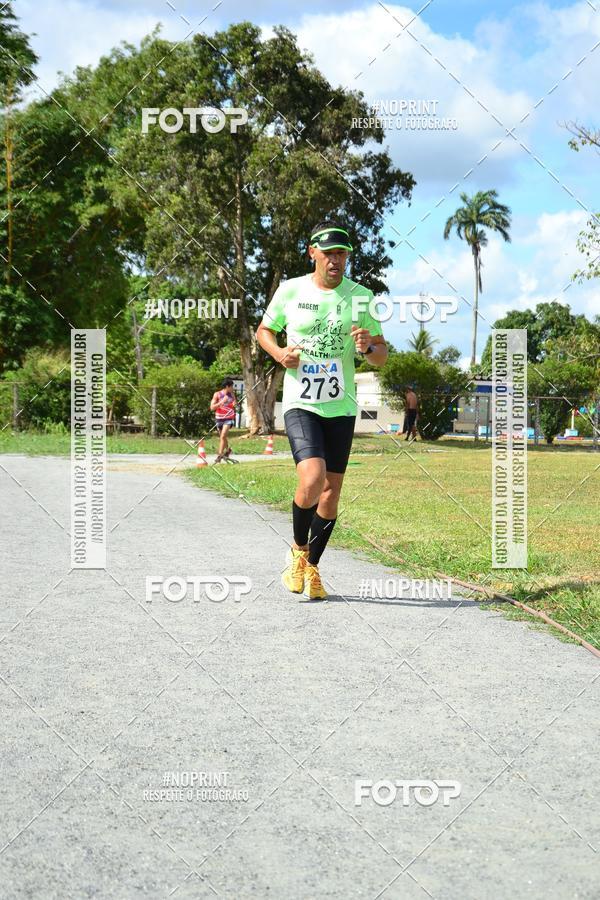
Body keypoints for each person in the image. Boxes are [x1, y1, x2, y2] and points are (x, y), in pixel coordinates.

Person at [256, 219, 388, 600]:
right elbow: (264, 331)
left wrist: (367, 346)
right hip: (302, 401)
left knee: (331, 494)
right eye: (329, 253)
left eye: (342, 254)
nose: (336, 260)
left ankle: (312, 567)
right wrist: (279, 353)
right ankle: (298, 551)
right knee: (312, 477)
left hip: (341, 406)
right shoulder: (291, 290)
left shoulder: (361, 297)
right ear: (312, 252)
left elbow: (381, 355)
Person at [210, 379, 237, 463]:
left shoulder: (232, 394)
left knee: (222, 436)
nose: (233, 388)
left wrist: (234, 404)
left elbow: (234, 403)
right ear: (227, 386)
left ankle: (220, 455)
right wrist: (221, 402)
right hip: (219, 418)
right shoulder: (217, 394)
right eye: (231, 386)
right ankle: (228, 450)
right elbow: (212, 408)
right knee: (223, 437)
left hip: (229, 418)